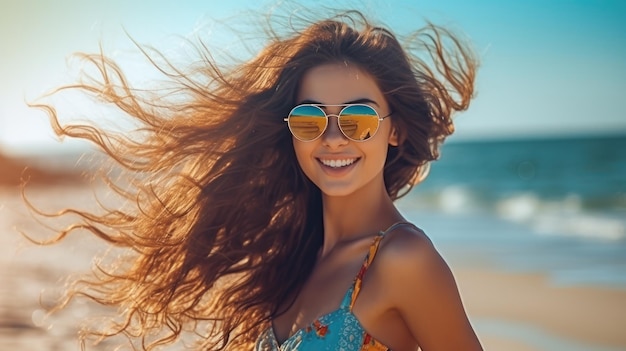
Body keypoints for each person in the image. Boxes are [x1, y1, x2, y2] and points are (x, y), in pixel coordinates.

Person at [31, 9, 482, 351]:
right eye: (309, 119)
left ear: (395, 128)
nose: (332, 138)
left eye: (358, 119)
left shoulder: (404, 259)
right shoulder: (296, 254)